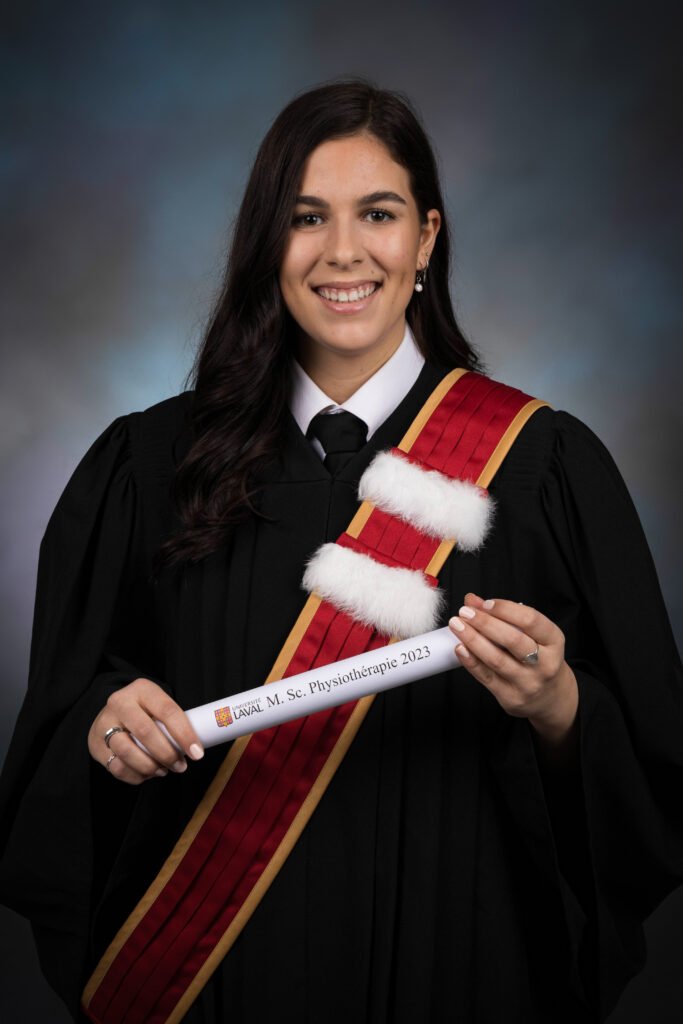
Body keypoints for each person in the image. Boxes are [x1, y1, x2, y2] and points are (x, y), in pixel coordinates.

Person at [0, 80, 681, 1024]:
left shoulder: (540, 467)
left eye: (379, 213)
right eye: (306, 217)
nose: (343, 251)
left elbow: (649, 778)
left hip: (460, 961)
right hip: (220, 981)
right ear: (266, 242)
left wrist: (558, 705)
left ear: (426, 238)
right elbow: (62, 726)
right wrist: (105, 721)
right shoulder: (149, 464)